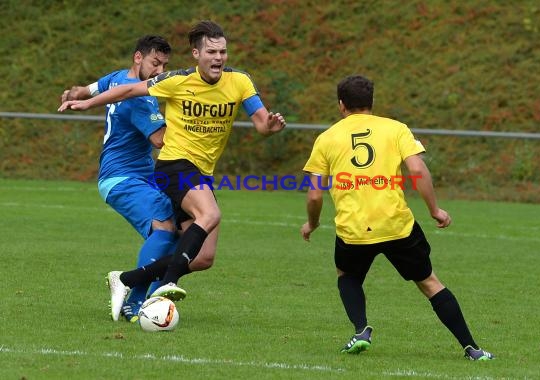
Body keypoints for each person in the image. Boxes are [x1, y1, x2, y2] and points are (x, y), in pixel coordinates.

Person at [59, 21, 286, 315]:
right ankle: (161, 288)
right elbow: (128, 93)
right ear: (196, 54)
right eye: (212, 52)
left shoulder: (240, 81)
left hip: (200, 172)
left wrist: (270, 126)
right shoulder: (175, 81)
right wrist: (88, 104)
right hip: (174, 165)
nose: (218, 58)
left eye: (223, 52)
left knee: (202, 256)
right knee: (206, 216)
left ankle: (127, 279)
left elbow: (261, 122)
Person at [300, 75, 494, 360]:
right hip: (397, 225)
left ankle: (361, 330)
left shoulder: (327, 138)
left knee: (348, 276)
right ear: (372, 102)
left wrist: (313, 224)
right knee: (429, 283)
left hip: (354, 229)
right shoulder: (396, 129)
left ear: (341, 105)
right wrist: (434, 210)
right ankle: (472, 349)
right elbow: (417, 170)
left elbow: (315, 195)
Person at [60, 35, 178, 323]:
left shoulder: (118, 78)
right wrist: (194, 121)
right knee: (165, 229)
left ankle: (147, 297)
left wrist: (77, 92)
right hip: (123, 177)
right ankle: (134, 298)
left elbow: (92, 87)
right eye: (155, 63)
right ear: (138, 57)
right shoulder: (141, 100)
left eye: (164, 65)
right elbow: (161, 140)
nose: (159, 72)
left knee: (177, 233)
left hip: (139, 176)